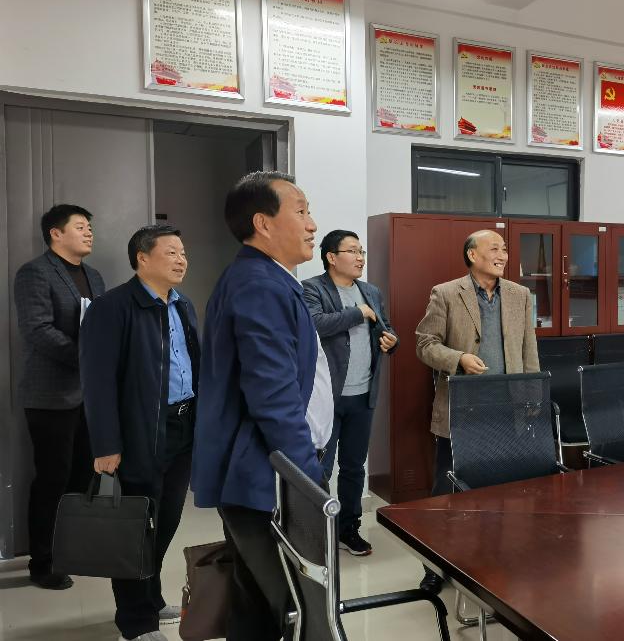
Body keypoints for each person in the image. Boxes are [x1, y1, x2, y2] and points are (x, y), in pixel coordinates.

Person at [192, 171, 331, 641]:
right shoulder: (260, 284)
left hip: (264, 471)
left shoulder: (266, 278)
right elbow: (273, 397)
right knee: (293, 609)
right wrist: (307, 480)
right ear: (263, 223)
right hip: (267, 476)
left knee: (254, 603)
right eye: (301, 210)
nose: (312, 224)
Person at [80, 224, 197, 641]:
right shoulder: (112, 307)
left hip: (182, 426)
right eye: (171, 252)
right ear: (142, 258)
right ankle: (135, 624)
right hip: (138, 433)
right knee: (134, 529)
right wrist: (106, 444)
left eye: (183, 252)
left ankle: (151, 598)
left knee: (164, 523)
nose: (181, 260)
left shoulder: (182, 305)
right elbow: (97, 381)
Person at [414, 229, 539, 593]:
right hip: (462, 409)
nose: (503, 254)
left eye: (505, 248)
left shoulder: (519, 295)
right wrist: (459, 359)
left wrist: (532, 397)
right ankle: (434, 564)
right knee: (446, 489)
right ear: (472, 255)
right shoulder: (446, 293)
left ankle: (489, 560)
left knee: (498, 492)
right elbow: (425, 344)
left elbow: (529, 349)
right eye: (494, 248)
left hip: (507, 410)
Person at [13, 204, 105, 590]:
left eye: (89, 227)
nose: (89, 233)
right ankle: (42, 562)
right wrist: (84, 355)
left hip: (88, 394)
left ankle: (69, 550)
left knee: (83, 476)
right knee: (53, 478)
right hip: (50, 394)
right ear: (56, 233)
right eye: (81, 227)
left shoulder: (94, 276)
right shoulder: (35, 272)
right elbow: (37, 329)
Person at [302, 230, 397, 557]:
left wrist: (390, 340)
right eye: (353, 251)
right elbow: (314, 324)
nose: (360, 258)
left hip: (363, 394)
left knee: (354, 467)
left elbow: (384, 326)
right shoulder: (312, 288)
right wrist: (359, 313)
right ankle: (314, 532)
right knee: (320, 469)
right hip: (327, 398)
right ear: (331, 257)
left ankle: (348, 529)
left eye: (362, 251)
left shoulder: (370, 291)